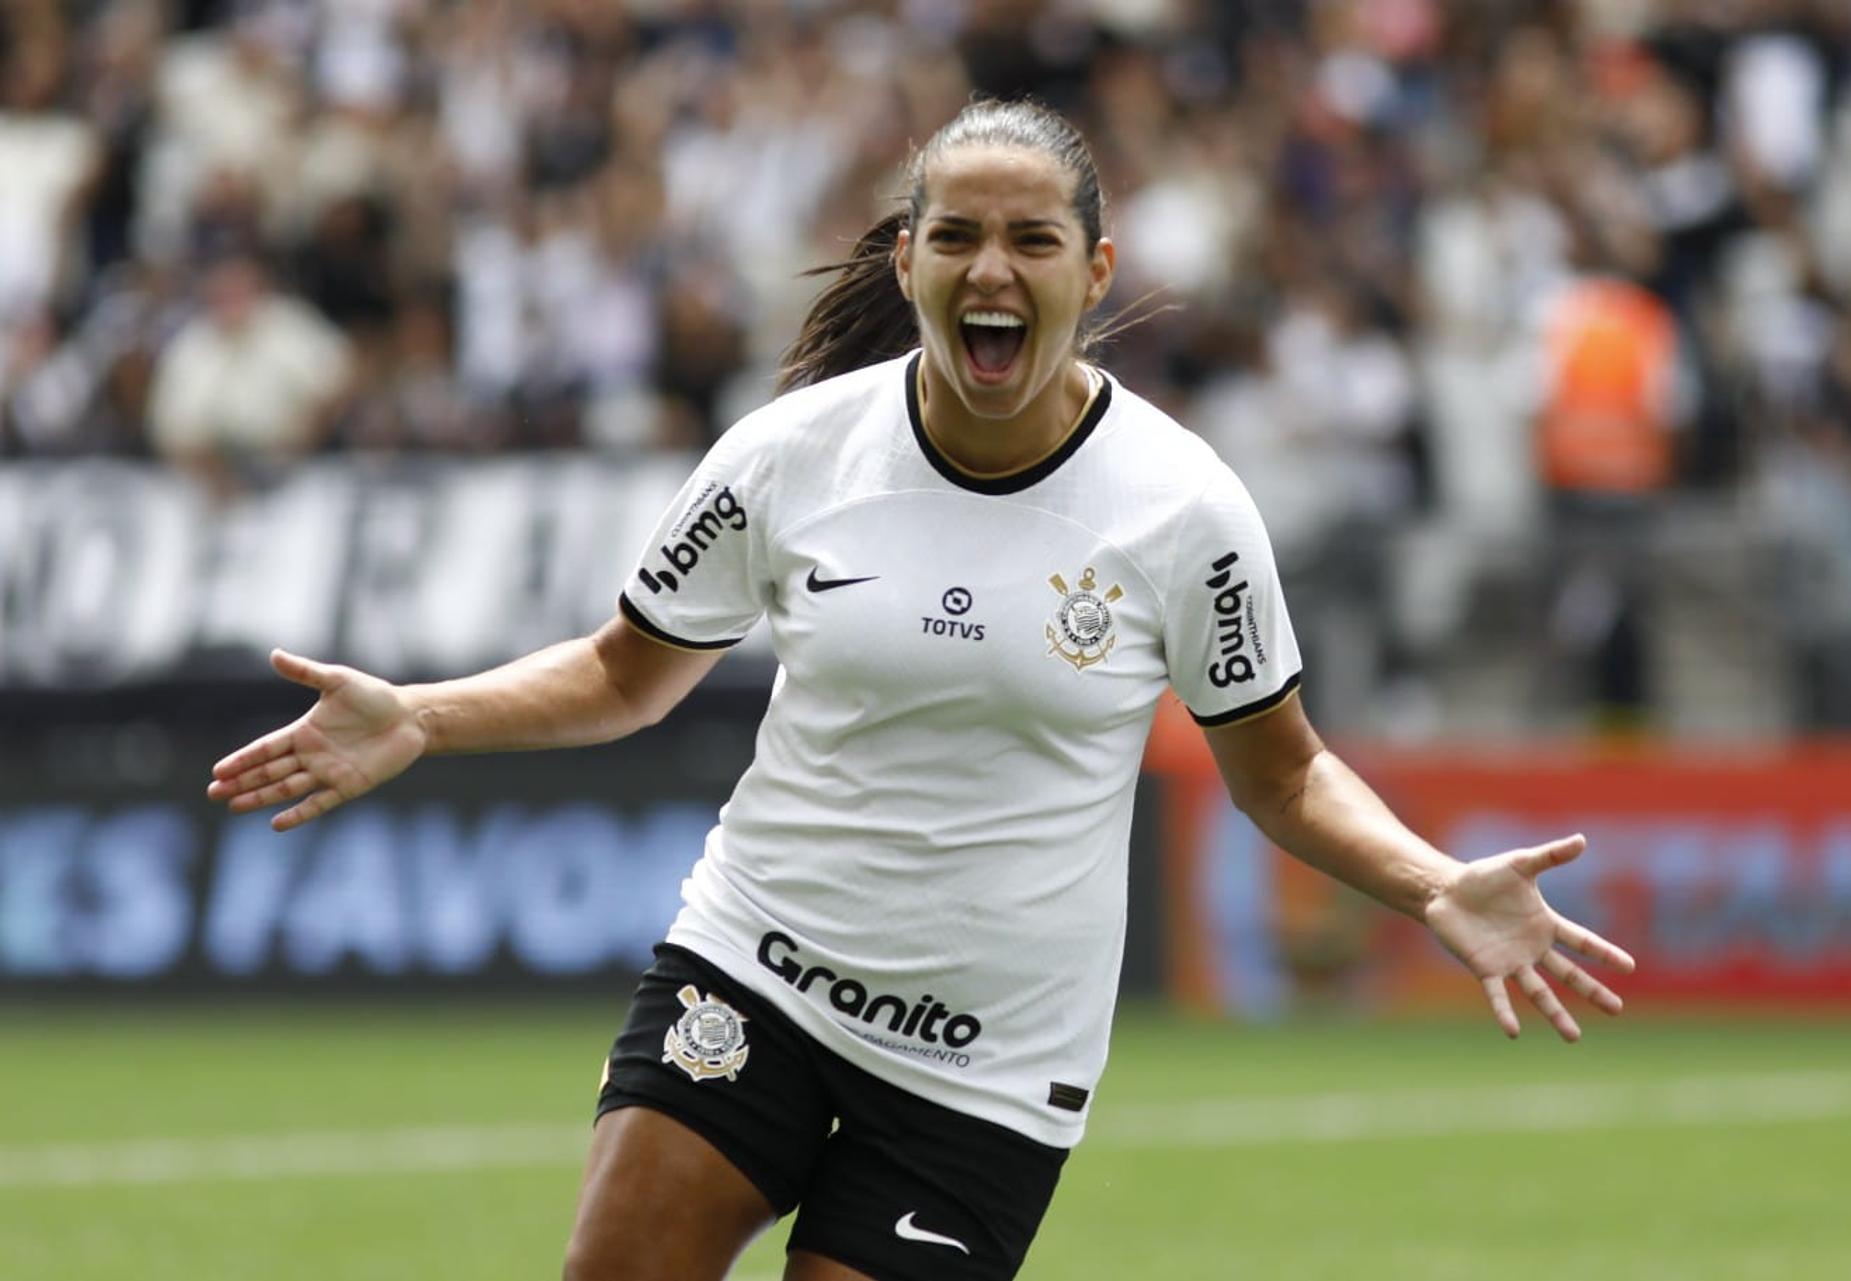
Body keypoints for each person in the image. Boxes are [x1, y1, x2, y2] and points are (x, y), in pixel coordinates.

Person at [206, 98, 1635, 1281]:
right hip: (759, 971)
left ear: (1096, 267)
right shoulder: (790, 455)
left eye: (1032, 239)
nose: (991, 268)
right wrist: (421, 714)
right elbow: (621, 674)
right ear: (907, 259)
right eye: (956, 235)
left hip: (986, 1069)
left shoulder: (1184, 509)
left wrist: (1430, 880)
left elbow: (1282, 769)